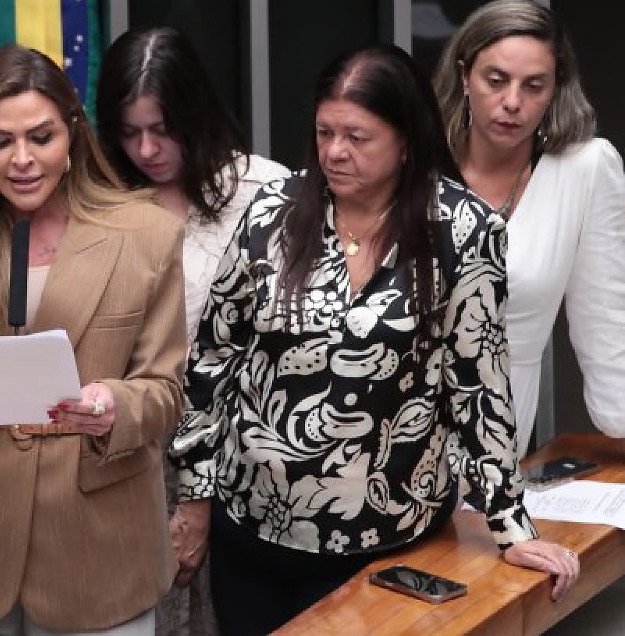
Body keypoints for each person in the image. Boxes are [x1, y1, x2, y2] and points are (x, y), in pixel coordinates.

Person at [170, 45, 580, 635]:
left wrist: (509, 525)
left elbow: (480, 384)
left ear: (405, 139)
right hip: (252, 526)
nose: (335, 152)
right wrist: (194, 497)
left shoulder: (462, 231)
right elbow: (213, 359)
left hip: (386, 539)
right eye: (325, 132)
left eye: (357, 137)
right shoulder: (272, 212)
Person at [0, 44, 187, 635]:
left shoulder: (146, 233)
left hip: (98, 553)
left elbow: (165, 391)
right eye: (0, 143)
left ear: (73, 133)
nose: (21, 160)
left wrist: (115, 407)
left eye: (41, 138)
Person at [96, 28, 289, 636]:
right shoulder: (99, 197)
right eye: (129, 132)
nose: (147, 149)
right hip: (127, 457)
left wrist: (200, 498)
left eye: (163, 128)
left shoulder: (264, 192)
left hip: (241, 462)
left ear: (196, 113)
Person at [433, 0, 625, 457]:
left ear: (556, 89)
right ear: (464, 76)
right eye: (496, 80)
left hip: (497, 442)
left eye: (534, 85)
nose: (512, 102)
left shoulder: (583, 169)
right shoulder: (414, 164)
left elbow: (604, 316)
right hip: (380, 430)